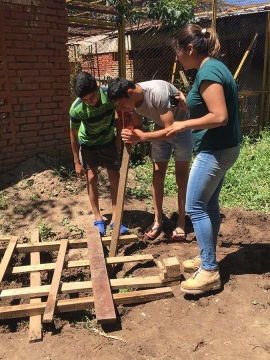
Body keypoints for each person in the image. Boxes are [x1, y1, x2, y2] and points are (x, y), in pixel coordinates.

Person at [166, 24, 242, 294]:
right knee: (208, 205)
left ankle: (209, 271)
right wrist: (189, 104)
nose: (177, 57)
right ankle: (207, 255)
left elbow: (219, 117)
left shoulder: (209, 71)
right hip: (221, 147)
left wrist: (183, 125)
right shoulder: (211, 68)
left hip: (216, 149)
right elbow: (209, 106)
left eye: (178, 51)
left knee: (194, 206)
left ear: (190, 48)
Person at [107, 78, 193, 241]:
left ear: (130, 93)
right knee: (157, 174)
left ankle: (181, 221)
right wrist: (132, 134)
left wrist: (142, 137)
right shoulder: (131, 103)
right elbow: (139, 128)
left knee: (181, 177)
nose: (121, 108)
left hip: (181, 127)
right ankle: (157, 220)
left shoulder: (157, 93)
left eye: (121, 104)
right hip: (160, 127)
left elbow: (172, 132)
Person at [69, 72, 129, 236]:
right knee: (91, 178)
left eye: (92, 97)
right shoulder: (76, 109)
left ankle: (116, 219)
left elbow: (119, 114)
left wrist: (118, 138)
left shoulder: (109, 96)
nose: (90, 102)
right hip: (88, 144)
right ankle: (98, 218)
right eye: (85, 100)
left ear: (97, 87)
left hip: (108, 141)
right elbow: (73, 134)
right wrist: (76, 161)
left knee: (114, 177)